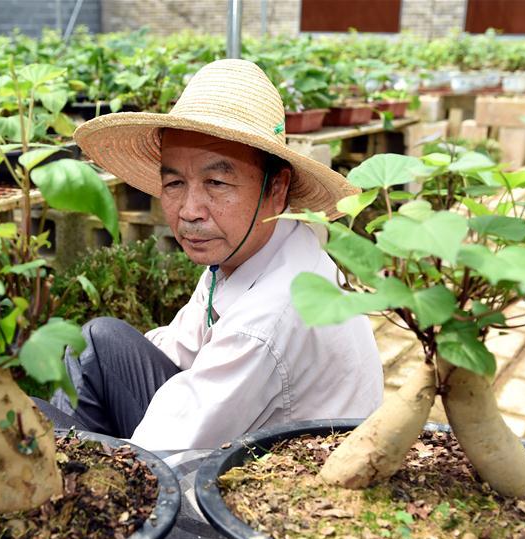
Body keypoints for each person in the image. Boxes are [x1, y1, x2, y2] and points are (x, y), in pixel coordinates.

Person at [38, 59, 383, 450]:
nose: (189, 210)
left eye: (217, 182)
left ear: (277, 188)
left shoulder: (266, 320)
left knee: (33, 428)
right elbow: (181, 344)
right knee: (95, 343)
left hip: (259, 490)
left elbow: (155, 462)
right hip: (237, 434)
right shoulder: (256, 246)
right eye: (174, 183)